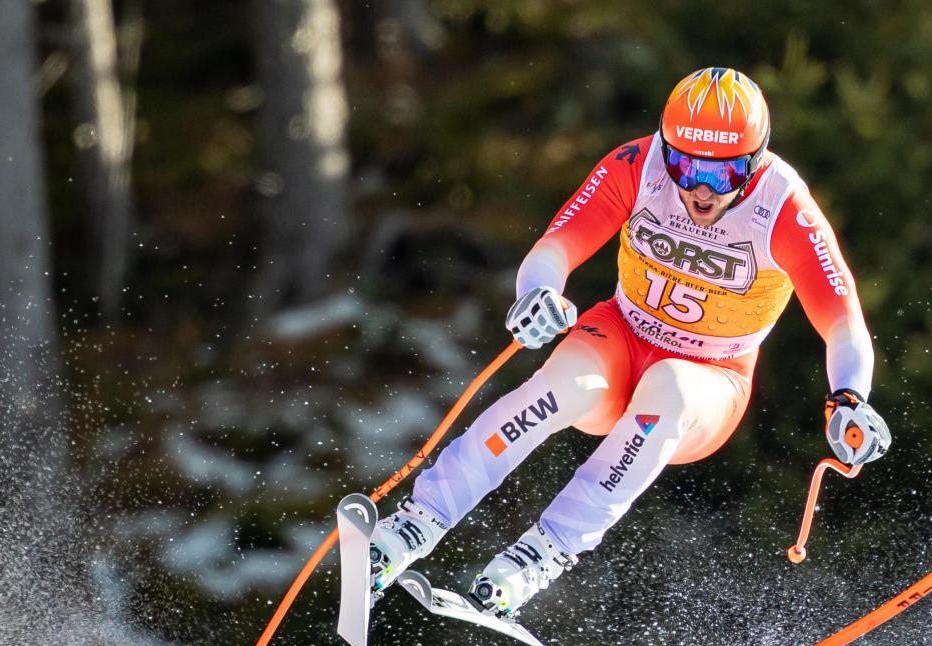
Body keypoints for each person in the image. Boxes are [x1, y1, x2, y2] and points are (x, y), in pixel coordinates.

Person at [369, 67, 891, 617]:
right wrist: (537, 293)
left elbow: (842, 319)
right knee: (563, 384)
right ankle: (416, 524)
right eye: (687, 166)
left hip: (712, 378)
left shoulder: (784, 208)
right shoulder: (637, 166)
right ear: (666, 149)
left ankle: (543, 554)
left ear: (756, 161)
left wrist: (849, 398)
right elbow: (557, 245)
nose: (701, 190)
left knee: (669, 389)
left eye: (727, 172)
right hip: (622, 334)